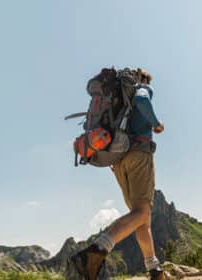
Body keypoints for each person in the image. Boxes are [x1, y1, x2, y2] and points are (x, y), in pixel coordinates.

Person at [70, 68, 165, 280]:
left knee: (142, 218)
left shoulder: (117, 97)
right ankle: (96, 251)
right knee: (141, 212)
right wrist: (156, 124)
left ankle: (154, 269)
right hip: (139, 154)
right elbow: (142, 101)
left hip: (119, 160)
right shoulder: (141, 87)